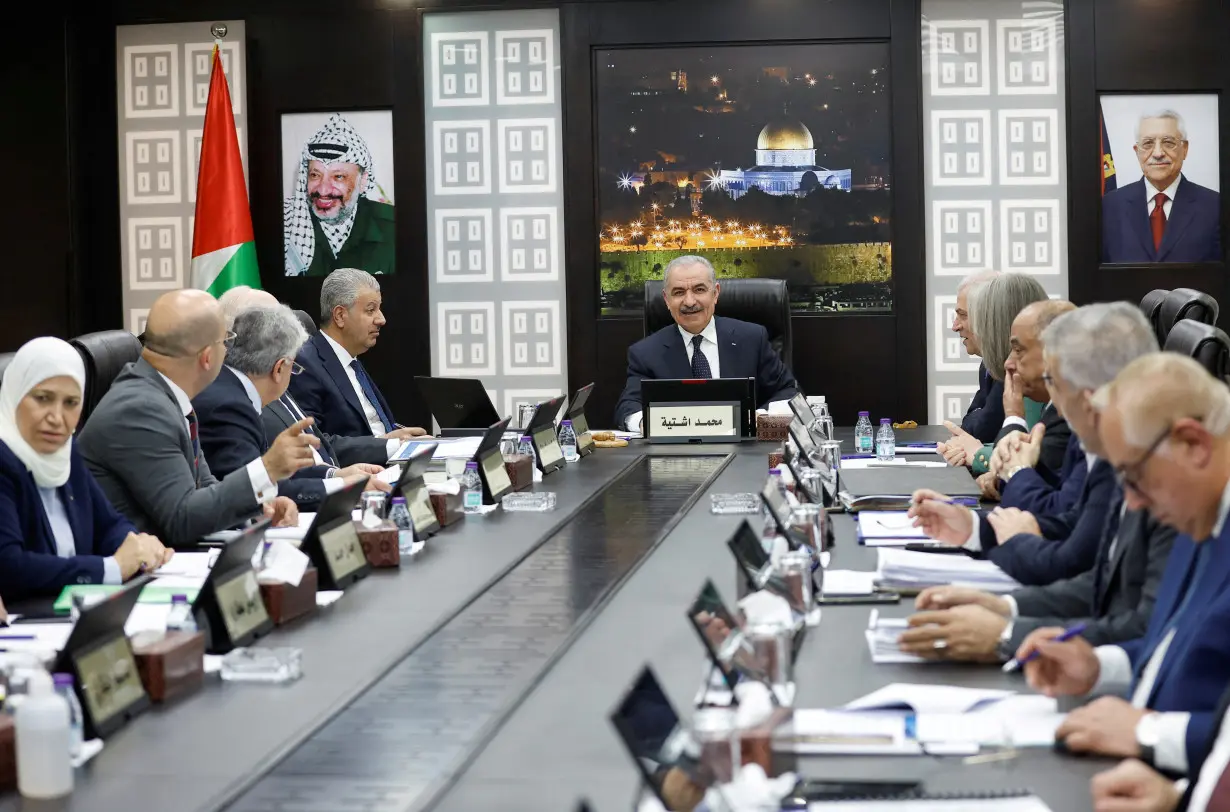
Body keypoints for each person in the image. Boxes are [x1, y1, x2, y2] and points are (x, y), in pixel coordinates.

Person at [1018, 353, 1230, 781]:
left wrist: (1148, 732)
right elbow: (1177, 649)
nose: (1132, 503)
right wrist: (1100, 666)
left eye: (1134, 476)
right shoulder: (1199, 513)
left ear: (1193, 444)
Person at [909, 303, 1157, 586]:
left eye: (1057, 378)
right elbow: (1073, 520)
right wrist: (974, 528)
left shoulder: (1119, 450)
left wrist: (1016, 481)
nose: (1009, 363)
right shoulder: (1093, 435)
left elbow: (1070, 557)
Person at [78, 290, 310, 548]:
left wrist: (255, 508)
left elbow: (204, 490)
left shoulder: (164, 394)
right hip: (134, 573)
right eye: (226, 341)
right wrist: (266, 470)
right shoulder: (140, 409)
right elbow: (182, 519)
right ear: (208, 357)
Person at [0, 338, 172, 603]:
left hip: (73, 613)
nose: (56, 417)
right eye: (43, 399)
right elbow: (10, 567)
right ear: (14, 394)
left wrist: (137, 546)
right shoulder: (4, 461)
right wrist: (110, 569)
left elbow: (108, 524)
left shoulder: (65, 452)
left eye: (71, 403)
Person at [192, 305, 389, 510]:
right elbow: (251, 489)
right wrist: (342, 487)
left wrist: (335, 475)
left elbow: (267, 475)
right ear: (279, 368)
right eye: (293, 368)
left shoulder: (233, 391)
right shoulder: (230, 407)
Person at [613, 255, 798, 432]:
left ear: (715, 293)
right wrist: (646, 422)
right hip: (679, 456)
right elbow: (628, 407)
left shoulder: (751, 338)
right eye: (678, 292)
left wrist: (759, 418)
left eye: (699, 290)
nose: (690, 301)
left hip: (745, 452)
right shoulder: (645, 353)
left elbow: (789, 392)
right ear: (666, 300)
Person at [217, 286, 392, 467]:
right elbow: (262, 482)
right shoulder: (235, 402)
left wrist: (335, 476)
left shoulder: (275, 378)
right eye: (277, 323)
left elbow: (319, 448)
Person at [289, 268, 427, 441]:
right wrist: (389, 445)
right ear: (340, 316)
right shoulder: (305, 364)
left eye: (379, 309)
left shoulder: (351, 360)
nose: (381, 319)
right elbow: (315, 444)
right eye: (371, 310)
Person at [939, 273, 1050, 474]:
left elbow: (1028, 458)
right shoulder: (1008, 369)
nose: (956, 326)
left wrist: (979, 454)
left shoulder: (1032, 382)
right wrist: (977, 451)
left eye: (967, 316)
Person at [979, 298, 1077, 503]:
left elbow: (1012, 476)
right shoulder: (1054, 407)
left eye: (1018, 350)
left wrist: (1014, 418)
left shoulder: (1075, 416)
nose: (1008, 363)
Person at [1102, 110, 1221, 263]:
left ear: (1184, 149)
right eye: (1148, 143)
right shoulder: (1109, 206)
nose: (1158, 153)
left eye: (1168, 142)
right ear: (1137, 151)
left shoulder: (1215, 206)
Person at [283, 113, 395, 277]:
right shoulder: (288, 224)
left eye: (338, 177)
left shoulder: (394, 228)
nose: (323, 190)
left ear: (362, 181)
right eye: (315, 175)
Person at [952, 270, 1003, 443]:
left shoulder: (1010, 366)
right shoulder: (988, 363)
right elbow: (969, 423)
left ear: (989, 316)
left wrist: (978, 416)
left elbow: (983, 430)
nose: (955, 326)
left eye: (963, 315)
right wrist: (978, 415)